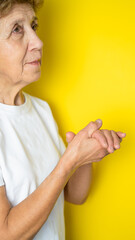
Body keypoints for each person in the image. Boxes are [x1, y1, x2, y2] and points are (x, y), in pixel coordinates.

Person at [0, 1, 126, 239]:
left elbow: (75, 195)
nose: (38, 42)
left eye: (33, 26)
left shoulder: (41, 110)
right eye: (17, 29)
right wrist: (69, 161)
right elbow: (6, 234)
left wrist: (85, 154)